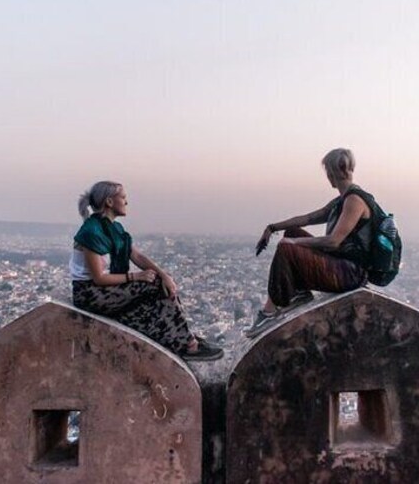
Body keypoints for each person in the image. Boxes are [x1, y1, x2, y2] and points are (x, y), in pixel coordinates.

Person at [70, 180, 223, 361]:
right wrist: (136, 277)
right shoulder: (91, 231)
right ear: (109, 202)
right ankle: (187, 345)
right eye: (123, 197)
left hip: (103, 290)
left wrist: (164, 275)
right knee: (155, 285)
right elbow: (98, 278)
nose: (126, 202)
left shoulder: (114, 229)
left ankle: (182, 336)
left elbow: (137, 256)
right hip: (90, 294)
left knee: (160, 284)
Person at [245, 148, 379, 337]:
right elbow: (308, 218)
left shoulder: (354, 201)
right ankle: (299, 292)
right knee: (291, 234)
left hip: (350, 274)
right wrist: (273, 227)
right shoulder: (342, 200)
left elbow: (333, 242)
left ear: (332, 172)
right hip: (343, 265)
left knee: (287, 246)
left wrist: (293, 243)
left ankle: (269, 311)